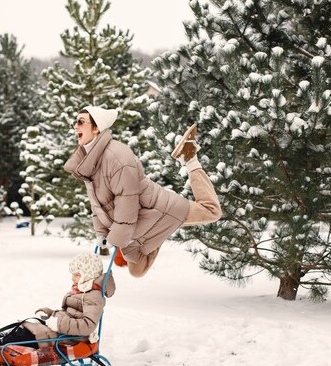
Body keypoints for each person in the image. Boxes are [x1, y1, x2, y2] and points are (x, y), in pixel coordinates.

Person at [64, 106, 222, 278]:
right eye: (75, 122)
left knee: (212, 211)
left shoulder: (117, 157)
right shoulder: (90, 160)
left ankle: (190, 158)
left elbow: (127, 204)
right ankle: (162, 231)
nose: (75, 126)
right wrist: (102, 233)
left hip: (160, 209)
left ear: (96, 128)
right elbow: (97, 205)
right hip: (140, 224)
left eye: (81, 122)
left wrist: (114, 239)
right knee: (137, 270)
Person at [0, 252, 115, 365]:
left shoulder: (93, 297)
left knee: (25, 334)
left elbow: (88, 325)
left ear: (89, 275)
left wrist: (58, 324)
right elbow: (68, 314)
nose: (72, 278)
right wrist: (50, 313)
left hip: (69, 337)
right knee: (21, 328)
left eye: (77, 274)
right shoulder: (83, 291)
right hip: (61, 331)